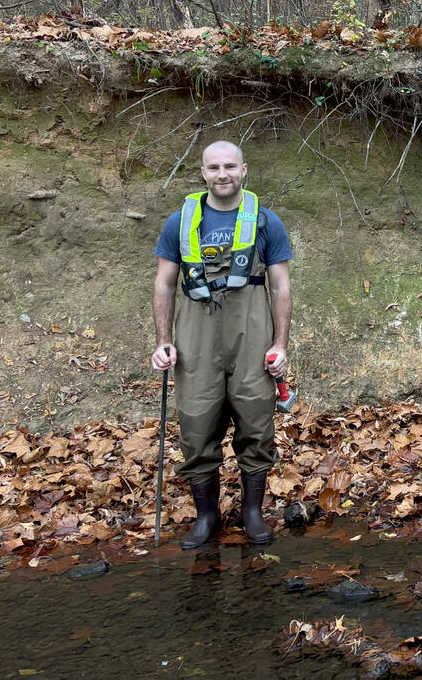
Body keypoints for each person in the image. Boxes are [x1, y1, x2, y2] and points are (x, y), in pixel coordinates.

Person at [150, 140, 293, 547]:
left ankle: (252, 513)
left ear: (245, 170)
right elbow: (164, 282)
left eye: (230, 166)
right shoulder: (180, 221)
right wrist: (163, 341)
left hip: (251, 331)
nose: (222, 174)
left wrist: (280, 344)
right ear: (203, 173)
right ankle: (207, 517)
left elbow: (280, 285)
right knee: (195, 423)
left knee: (255, 418)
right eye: (214, 168)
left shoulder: (266, 222)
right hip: (196, 331)